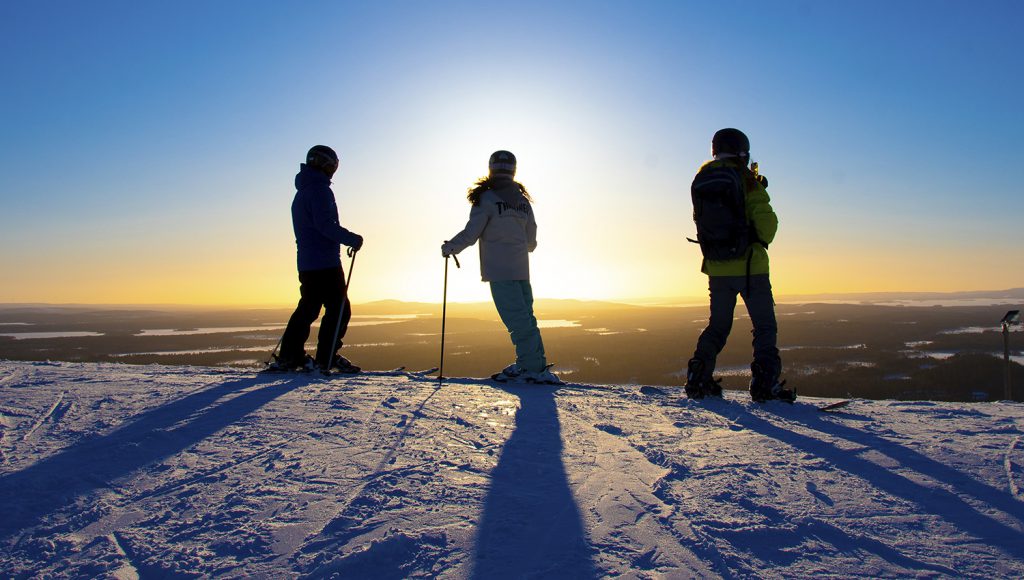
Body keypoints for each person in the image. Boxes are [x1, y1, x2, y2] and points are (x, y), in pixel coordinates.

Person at [685, 128, 795, 402]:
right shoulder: (747, 180)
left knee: (718, 326)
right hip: (750, 268)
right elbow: (768, 228)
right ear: (743, 152)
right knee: (764, 327)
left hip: (717, 267)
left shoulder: (703, 179)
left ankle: (698, 379)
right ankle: (764, 385)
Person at [441, 150, 560, 385]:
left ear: (491, 169)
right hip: (521, 270)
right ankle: (533, 363)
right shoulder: (523, 202)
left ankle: (531, 369)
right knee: (526, 318)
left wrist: (450, 247)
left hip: (499, 270)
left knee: (517, 322)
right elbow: (532, 241)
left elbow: (471, 233)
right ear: (514, 170)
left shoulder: (487, 199)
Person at [272, 145, 363, 373]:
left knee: (309, 308)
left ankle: (290, 356)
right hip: (325, 262)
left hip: (307, 262)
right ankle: (327, 357)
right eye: (333, 166)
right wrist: (351, 238)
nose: (333, 170)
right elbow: (325, 226)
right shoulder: (320, 190)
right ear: (325, 164)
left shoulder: (303, 190)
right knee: (339, 308)